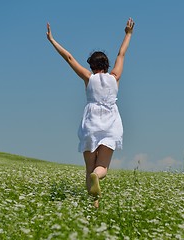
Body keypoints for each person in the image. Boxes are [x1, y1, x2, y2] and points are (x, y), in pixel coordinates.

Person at [46, 18, 135, 207]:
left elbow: (69, 58)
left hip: (91, 125)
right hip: (110, 126)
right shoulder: (115, 77)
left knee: (89, 169)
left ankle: (94, 205)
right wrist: (128, 34)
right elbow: (122, 54)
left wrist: (52, 40)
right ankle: (98, 177)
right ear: (106, 65)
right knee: (101, 167)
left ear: (92, 66)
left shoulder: (89, 78)